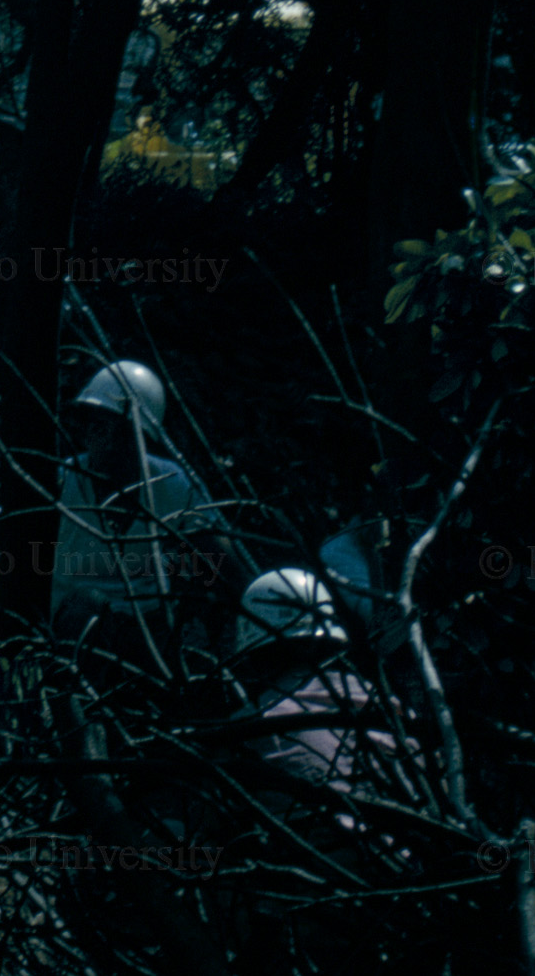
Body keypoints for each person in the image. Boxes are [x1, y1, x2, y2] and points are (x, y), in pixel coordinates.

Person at [218, 563, 428, 842]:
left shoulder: (248, 729)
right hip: (414, 856)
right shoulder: (385, 704)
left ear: (253, 652)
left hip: (323, 869)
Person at [47, 359, 227, 664]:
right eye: (92, 423)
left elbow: (223, 563)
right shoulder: (62, 483)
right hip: (74, 625)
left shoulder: (171, 486)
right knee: (89, 607)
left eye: (108, 426)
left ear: (139, 437)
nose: (96, 436)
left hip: (147, 628)